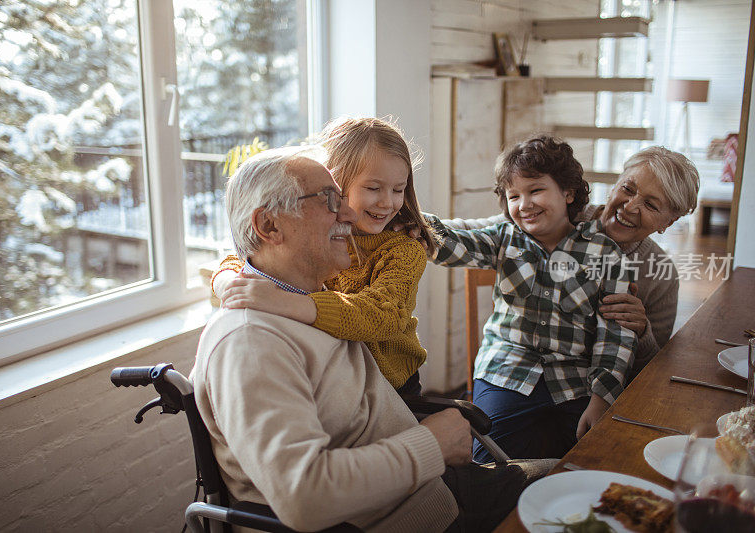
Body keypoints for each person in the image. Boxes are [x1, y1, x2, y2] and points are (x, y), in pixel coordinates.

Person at [192, 145, 555, 532]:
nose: (348, 212)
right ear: (269, 227)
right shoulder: (250, 342)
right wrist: (432, 444)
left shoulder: (304, 295)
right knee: (573, 485)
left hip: (431, 489)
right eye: (330, 199)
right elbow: (305, 496)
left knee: (570, 475)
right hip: (418, 513)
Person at [425, 136, 637, 462]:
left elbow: (616, 336)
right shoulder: (503, 238)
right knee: (490, 464)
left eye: (536, 190)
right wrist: (406, 215)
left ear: (568, 192)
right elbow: (451, 244)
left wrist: (601, 397)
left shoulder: (604, 252)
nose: (524, 204)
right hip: (506, 371)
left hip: (576, 380)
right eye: (514, 196)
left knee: (593, 460)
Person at [212, 117, 438, 395]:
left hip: (392, 384)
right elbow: (247, 258)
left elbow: (383, 314)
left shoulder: (402, 250)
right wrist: (228, 285)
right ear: (337, 186)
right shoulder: (321, 236)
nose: (387, 202)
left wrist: (288, 302)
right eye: (373, 188)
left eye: (398, 190)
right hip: (343, 373)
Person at [441, 146, 700, 379]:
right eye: (627, 189)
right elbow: (469, 232)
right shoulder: (560, 215)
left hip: (587, 390)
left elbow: (654, 370)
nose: (630, 207)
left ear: (668, 222)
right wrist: (410, 222)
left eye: (650, 205)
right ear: (614, 185)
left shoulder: (660, 274)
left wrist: (642, 331)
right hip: (520, 371)